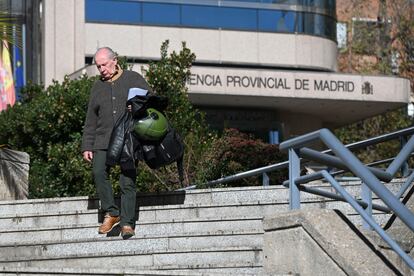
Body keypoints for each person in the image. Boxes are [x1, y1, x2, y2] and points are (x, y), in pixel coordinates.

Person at [81, 47, 152, 239]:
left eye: (104, 64)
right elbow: (91, 120)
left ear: (115, 61)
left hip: (128, 137)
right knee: (98, 171)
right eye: (98, 66)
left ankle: (127, 223)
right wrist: (87, 145)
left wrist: (137, 105)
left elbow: (150, 100)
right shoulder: (97, 87)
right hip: (102, 139)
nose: (101, 69)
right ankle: (112, 212)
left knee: (127, 180)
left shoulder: (133, 78)